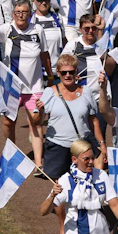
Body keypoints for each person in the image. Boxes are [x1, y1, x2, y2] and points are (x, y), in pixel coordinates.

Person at [0, 0, 52, 166]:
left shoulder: (38, 30)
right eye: (18, 12)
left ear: (30, 14)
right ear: (13, 14)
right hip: (11, 86)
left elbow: (44, 54)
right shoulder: (7, 28)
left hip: (34, 86)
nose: (21, 15)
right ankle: (11, 153)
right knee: (8, 122)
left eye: (24, 12)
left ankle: (38, 163)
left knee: (36, 121)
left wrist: (50, 76)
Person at [36, 53, 103, 181]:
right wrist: (40, 112)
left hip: (81, 147)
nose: (67, 75)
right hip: (57, 147)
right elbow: (36, 122)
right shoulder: (49, 92)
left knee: (84, 183)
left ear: (76, 72)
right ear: (58, 73)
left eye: (71, 72)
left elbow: (93, 120)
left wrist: (101, 144)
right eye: (63, 72)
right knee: (59, 187)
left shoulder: (86, 91)